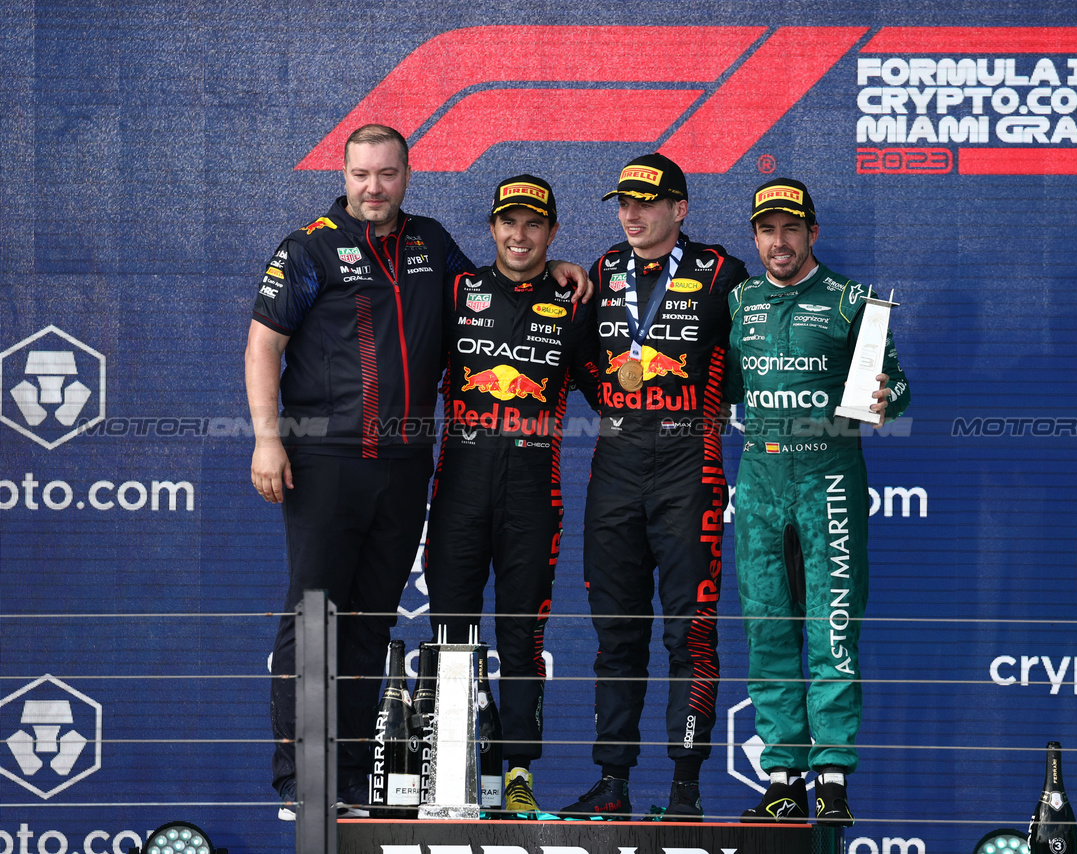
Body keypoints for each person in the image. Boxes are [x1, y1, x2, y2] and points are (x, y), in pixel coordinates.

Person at [246, 125, 588, 820]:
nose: (374, 187)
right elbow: (263, 344)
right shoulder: (309, 246)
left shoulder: (432, 243)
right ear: (343, 173)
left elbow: (500, 282)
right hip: (326, 461)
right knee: (314, 615)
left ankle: (346, 776)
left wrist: (558, 268)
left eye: (388, 174)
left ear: (407, 174)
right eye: (362, 174)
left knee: (371, 622)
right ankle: (298, 777)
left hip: (405, 466)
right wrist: (265, 439)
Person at [560, 153, 748, 821]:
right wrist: (608, 395)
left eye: (647, 202)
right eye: (624, 202)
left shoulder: (721, 272)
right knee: (616, 633)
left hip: (687, 460)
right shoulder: (604, 269)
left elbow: (755, 358)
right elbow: (572, 347)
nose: (631, 213)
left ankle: (684, 794)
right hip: (616, 458)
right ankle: (612, 785)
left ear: (680, 208)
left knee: (689, 632)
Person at [725, 178, 910, 825]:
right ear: (755, 236)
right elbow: (715, 384)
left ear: (812, 234)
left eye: (791, 229)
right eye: (767, 230)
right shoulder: (739, 300)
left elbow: (896, 387)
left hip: (829, 477)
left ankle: (831, 778)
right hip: (759, 478)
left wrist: (889, 397)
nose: (779, 242)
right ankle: (782, 778)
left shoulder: (851, 301)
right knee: (769, 628)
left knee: (832, 628)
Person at [425, 175, 599, 816]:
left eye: (533, 224)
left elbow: (612, 388)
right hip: (459, 491)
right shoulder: (456, 293)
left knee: (523, 638)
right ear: (492, 228)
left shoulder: (574, 304)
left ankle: (519, 773)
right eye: (508, 223)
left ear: (552, 232)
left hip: (533, 495)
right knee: (450, 632)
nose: (519, 235)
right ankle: (447, 769)